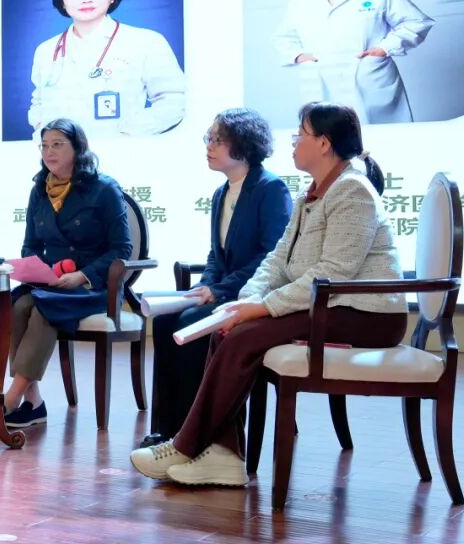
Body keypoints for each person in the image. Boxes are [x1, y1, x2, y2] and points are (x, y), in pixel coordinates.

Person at [130, 102, 407, 486]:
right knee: (229, 327)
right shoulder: (311, 195)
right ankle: (224, 455)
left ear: (324, 143)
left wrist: (261, 308)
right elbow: (275, 261)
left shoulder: (352, 190)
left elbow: (332, 273)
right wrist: (246, 301)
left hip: (366, 316)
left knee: (243, 333)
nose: (293, 142)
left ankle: (187, 445)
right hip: (330, 307)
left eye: (301, 134)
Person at [141, 108, 292, 448]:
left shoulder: (270, 189)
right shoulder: (222, 192)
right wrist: (205, 285)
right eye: (208, 138)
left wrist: (219, 289)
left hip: (253, 296)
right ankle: (167, 427)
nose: (209, 146)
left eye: (217, 140)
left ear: (243, 144)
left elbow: (271, 257)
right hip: (224, 291)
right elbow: (216, 255)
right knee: (165, 323)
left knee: (191, 322)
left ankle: (192, 435)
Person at [0, 118, 131, 428]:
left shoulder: (104, 189)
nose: (49, 152)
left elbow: (121, 249)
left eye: (57, 144)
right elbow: (31, 245)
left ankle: (10, 400)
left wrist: (82, 275)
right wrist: (36, 271)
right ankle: (33, 402)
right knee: (19, 306)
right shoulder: (39, 190)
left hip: (93, 287)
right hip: (52, 283)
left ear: (78, 148)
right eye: (44, 146)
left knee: (44, 309)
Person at [273, 0, 434, 124]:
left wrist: (384, 49)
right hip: (319, 79)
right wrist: (300, 56)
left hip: (369, 77)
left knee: (382, 134)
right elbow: (284, 38)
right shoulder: (300, 3)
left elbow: (417, 22)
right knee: (325, 135)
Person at [28, 0, 185, 140]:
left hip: (121, 148)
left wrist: (127, 133)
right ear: (62, 1)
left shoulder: (146, 41)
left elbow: (173, 99)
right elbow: (38, 103)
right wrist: (42, 129)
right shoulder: (46, 50)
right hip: (59, 151)